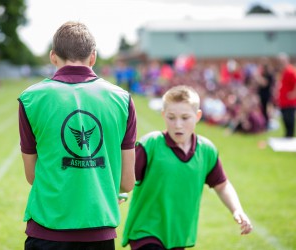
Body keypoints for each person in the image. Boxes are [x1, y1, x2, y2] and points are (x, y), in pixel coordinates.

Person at [18, 21, 137, 250]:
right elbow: (127, 182)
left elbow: (32, 175)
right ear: (93, 57)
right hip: (98, 231)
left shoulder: (31, 98)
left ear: (53, 57)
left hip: (46, 230)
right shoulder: (122, 99)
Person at [122, 85, 252, 250]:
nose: (177, 125)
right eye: (171, 117)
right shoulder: (151, 144)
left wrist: (237, 210)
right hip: (146, 231)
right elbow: (125, 178)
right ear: (163, 115)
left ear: (197, 116)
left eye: (185, 118)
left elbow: (222, 185)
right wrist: (118, 194)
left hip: (179, 234)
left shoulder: (206, 150)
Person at [276, 53, 296, 138]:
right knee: (284, 119)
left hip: (289, 101)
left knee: (289, 119)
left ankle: (290, 135)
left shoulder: (291, 71)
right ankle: (287, 134)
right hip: (283, 101)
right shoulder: (283, 71)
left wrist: (294, 93)